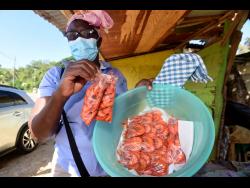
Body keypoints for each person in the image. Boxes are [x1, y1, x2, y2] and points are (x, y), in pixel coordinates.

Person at [29, 10, 139, 177]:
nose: (78, 39)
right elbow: (39, 134)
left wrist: (139, 93)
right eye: (71, 35)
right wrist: (61, 94)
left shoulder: (115, 75)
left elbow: (127, 116)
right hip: (69, 168)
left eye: (87, 33)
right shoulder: (56, 75)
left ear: (99, 41)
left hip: (112, 166)